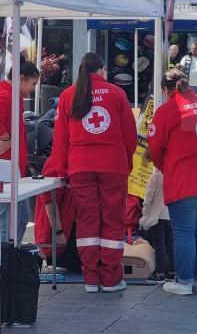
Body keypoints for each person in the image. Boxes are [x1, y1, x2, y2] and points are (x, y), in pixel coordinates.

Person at [44, 53, 137, 293]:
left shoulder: (68, 95)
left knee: (86, 222)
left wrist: (63, 170)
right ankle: (111, 280)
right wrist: (126, 163)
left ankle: (91, 280)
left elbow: (61, 140)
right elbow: (130, 136)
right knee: (112, 221)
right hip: (113, 166)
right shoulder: (117, 94)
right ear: (103, 70)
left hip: (80, 167)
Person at [147, 69, 197, 296]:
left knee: (183, 230)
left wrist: (166, 166)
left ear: (166, 90)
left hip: (185, 177)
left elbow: (154, 147)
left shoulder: (168, 109)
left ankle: (183, 282)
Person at [0, 61, 40, 244]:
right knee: (6, 222)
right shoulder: (5, 95)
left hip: (13, 171)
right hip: (5, 172)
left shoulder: (12, 96)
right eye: (33, 83)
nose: (33, 89)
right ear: (21, 78)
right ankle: (5, 263)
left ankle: (9, 259)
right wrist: (5, 139)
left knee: (21, 217)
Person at [139, 168, 175, 284]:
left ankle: (160, 273)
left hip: (157, 216)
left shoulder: (156, 176)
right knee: (171, 244)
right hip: (171, 215)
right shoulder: (173, 174)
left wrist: (145, 212)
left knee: (159, 245)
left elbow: (149, 196)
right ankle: (173, 271)